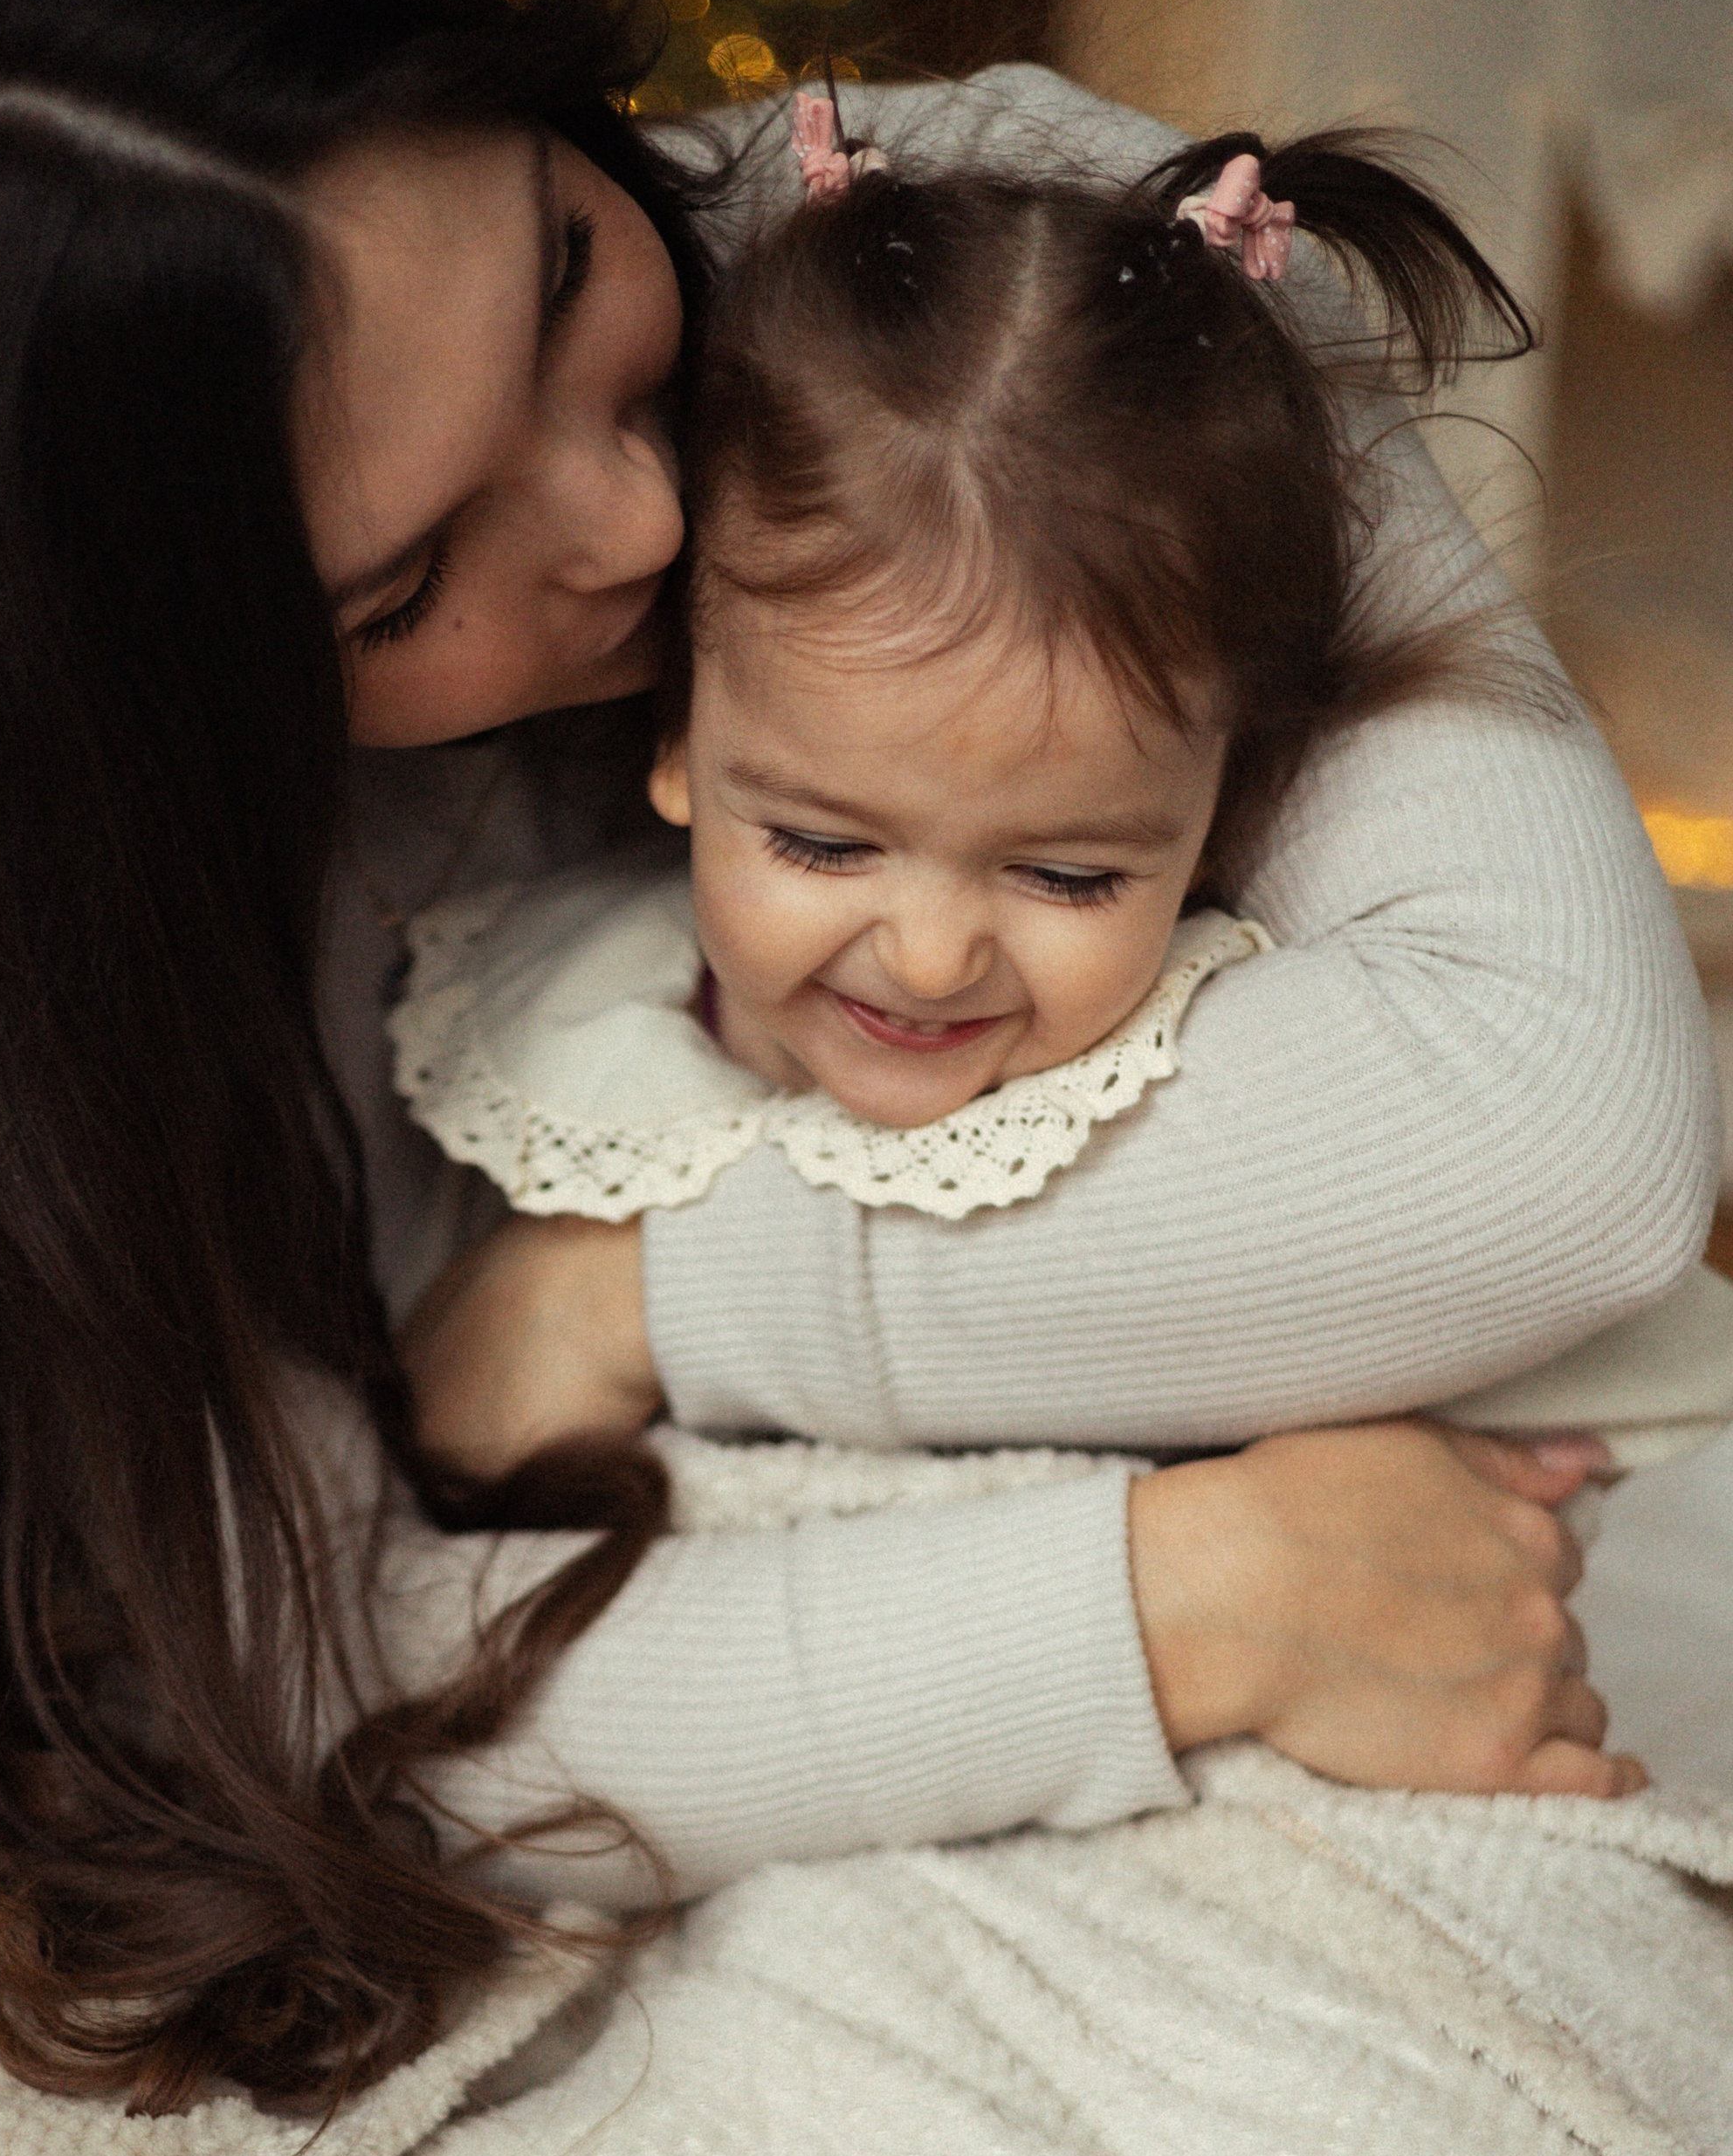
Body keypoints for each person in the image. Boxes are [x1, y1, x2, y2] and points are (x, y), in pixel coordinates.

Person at [0, 0, 1718, 2125]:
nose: (637, 528)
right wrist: (1177, 1611)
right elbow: (246, 1704)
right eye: (401, 587)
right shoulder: (20, 971)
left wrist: (644, 1289)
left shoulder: (1008, 290)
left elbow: (1560, 1135)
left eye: (567, 267)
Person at [393, 105, 1733, 1504]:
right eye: (820, 842)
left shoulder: (1239, 1103)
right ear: (676, 739)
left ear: (1225, 811)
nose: (928, 959)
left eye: (1069, 876)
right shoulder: (537, 1030)